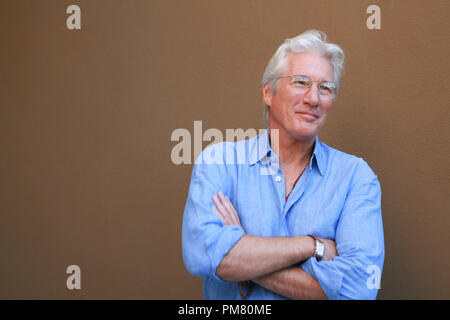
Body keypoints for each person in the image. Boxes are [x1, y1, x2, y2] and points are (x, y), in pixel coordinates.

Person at [182, 30, 385, 300]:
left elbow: (359, 291)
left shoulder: (356, 177)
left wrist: (243, 253)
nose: (313, 99)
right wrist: (312, 246)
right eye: (301, 82)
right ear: (268, 92)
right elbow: (202, 256)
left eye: (325, 88)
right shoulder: (221, 162)